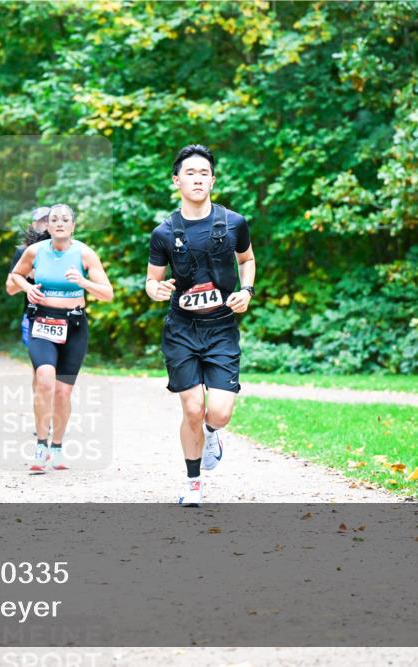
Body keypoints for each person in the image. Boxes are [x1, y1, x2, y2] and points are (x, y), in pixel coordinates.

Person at [145, 144, 256, 507]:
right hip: (181, 330)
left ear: (213, 179)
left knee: (219, 413)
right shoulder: (164, 232)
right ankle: (193, 483)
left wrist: (247, 290)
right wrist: (156, 290)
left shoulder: (234, 222)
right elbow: (151, 282)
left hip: (222, 329)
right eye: (190, 173)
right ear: (177, 180)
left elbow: (248, 259)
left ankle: (211, 434)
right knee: (192, 408)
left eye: (203, 173)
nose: (197, 179)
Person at [8, 204, 114, 473]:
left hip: (75, 326)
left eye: (65, 219)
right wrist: (28, 288)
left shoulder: (85, 253)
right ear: (49, 226)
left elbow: (107, 293)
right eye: (54, 219)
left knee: (63, 391)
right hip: (42, 323)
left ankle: (57, 446)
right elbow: (15, 275)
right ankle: (41, 444)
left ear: (73, 225)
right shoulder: (35, 251)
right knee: (44, 378)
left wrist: (83, 282)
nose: (59, 223)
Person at [10, 206, 52, 347]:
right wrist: (27, 275)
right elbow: (10, 289)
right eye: (41, 220)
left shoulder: (69, 249)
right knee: (40, 363)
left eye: (49, 220)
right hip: (34, 314)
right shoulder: (23, 252)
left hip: (64, 313)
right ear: (32, 225)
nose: (45, 224)